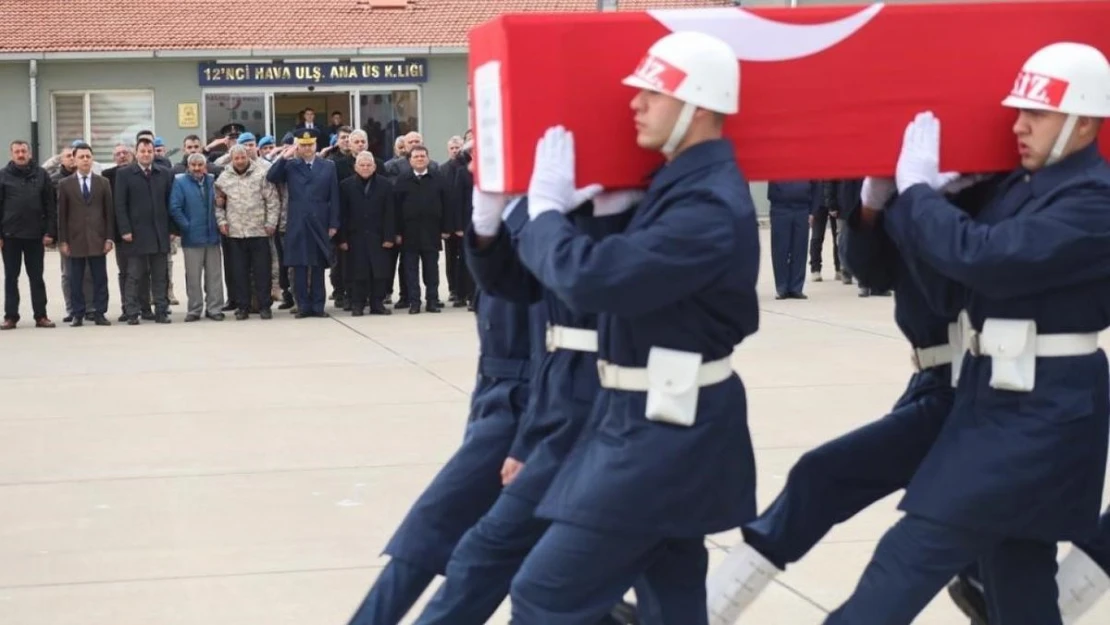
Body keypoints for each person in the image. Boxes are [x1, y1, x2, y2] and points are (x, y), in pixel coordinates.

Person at [822, 41, 1110, 625]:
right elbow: (953, 291)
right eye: (1019, 111)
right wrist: (897, 202)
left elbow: (985, 259)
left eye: (1037, 114)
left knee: (907, 558)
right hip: (995, 399)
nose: (1019, 125)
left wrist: (921, 194)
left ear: (1085, 123)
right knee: (1018, 579)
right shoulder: (1017, 189)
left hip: (1043, 412)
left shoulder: (1094, 200)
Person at [503, 30, 759, 624]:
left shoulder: (706, 205)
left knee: (545, 593)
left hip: (664, 433)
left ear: (698, 105)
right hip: (652, 419)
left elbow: (595, 282)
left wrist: (542, 213)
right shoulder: (680, 188)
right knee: (673, 600)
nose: (635, 104)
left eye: (653, 93)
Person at [702, 173, 1006, 624]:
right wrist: (870, 208)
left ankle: (705, 609)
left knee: (827, 480)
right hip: (934, 380)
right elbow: (871, 271)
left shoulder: (991, 192)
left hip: (970, 387)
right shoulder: (918, 185)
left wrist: (917, 199)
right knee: (985, 553)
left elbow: (952, 283)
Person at [266, 131, 340, 318]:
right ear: (297, 146)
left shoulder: (328, 166)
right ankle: (303, 307)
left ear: (315, 145)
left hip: (320, 221)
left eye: (310, 145)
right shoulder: (291, 166)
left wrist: (333, 223)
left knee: (317, 266)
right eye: (303, 145)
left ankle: (317, 306)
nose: (307, 148)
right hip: (297, 221)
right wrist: (284, 157)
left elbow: (334, 196)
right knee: (298, 266)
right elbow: (272, 177)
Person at [114, 136, 174, 325]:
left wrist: (171, 229)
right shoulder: (124, 174)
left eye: (149, 151)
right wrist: (125, 230)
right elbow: (120, 205)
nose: (146, 155)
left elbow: (170, 203)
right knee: (134, 275)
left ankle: (161, 311)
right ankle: (132, 312)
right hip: (135, 234)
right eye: (142, 151)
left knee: (160, 275)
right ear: (136, 153)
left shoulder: (164, 173)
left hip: (159, 233)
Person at [56, 143, 114, 327]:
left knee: (100, 278)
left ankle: (100, 312)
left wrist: (109, 238)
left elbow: (109, 213)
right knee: (75, 278)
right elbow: (62, 215)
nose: (85, 160)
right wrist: (63, 240)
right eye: (81, 157)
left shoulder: (103, 182)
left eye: (88, 156)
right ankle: (77, 313)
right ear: (74, 159)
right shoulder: (65, 184)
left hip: (98, 238)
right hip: (75, 239)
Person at [337, 152, 396, 316]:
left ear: (374, 167)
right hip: (354, 237)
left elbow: (390, 212)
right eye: (362, 165)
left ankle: (377, 303)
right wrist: (342, 238)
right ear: (356, 167)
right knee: (357, 272)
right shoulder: (345, 185)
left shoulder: (385, 185)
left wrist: (389, 237)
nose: (365, 168)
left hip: (378, 236)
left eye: (368, 165)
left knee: (379, 272)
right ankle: (357, 304)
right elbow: (341, 214)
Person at [766, 181, 816, 299]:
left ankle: (796, 287)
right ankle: (781, 287)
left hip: (802, 208)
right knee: (780, 249)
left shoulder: (809, 163)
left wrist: (813, 211)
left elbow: (817, 186)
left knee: (800, 249)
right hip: (780, 208)